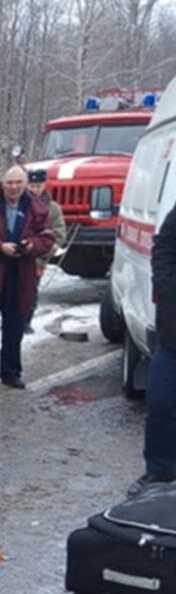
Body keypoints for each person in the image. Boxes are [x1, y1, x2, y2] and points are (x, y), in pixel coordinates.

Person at [0, 166, 54, 390]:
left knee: (14, 331)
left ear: (24, 184)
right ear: (2, 183)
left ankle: (11, 373)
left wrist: (31, 246)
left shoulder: (37, 208)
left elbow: (48, 238)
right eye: (9, 183)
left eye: (18, 183)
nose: (13, 187)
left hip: (20, 279)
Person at [133, 203, 176, 493]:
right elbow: (163, 251)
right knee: (161, 402)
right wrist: (169, 290)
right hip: (173, 334)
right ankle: (159, 472)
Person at [24, 168, 67, 334]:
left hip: (38, 259)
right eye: (32, 185)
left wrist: (47, 249)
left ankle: (26, 321)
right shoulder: (19, 203)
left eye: (38, 185)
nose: (35, 189)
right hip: (17, 256)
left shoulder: (53, 208)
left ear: (44, 185)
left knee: (31, 292)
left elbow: (59, 233)